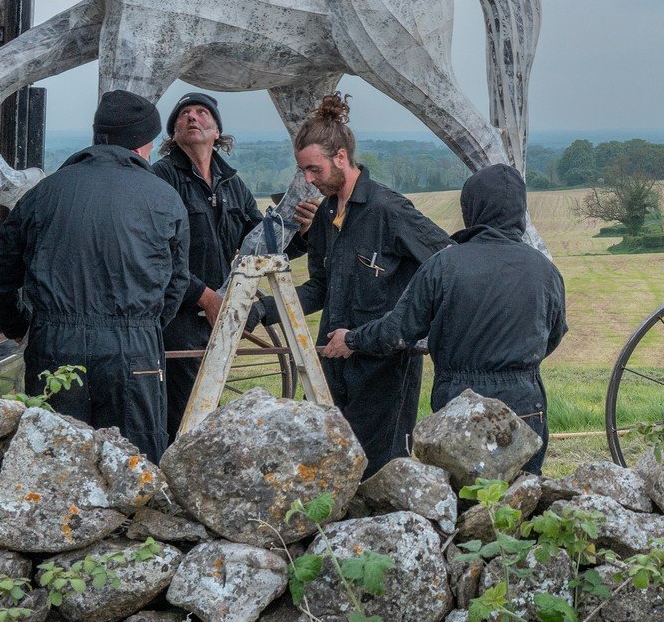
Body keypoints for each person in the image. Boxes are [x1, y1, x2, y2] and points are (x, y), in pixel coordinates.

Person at [0, 90, 190, 460]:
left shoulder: (44, 193)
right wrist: (145, 327)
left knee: (55, 463)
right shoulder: (164, 197)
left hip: (55, 345)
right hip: (134, 350)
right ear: (144, 143)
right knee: (134, 466)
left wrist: (21, 325)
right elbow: (175, 284)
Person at [320, 164, 568, 472]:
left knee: (463, 505)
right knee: (522, 502)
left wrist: (353, 338)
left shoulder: (444, 265)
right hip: (525, 402)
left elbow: (398, 331)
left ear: (471, 207)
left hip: (460, 401)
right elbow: (555, 332)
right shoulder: (544, 270)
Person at [286, 94, 452, 467]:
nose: (309, 181)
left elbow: (446, 263)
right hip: (332, 361)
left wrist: (412, 325)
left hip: (384, 367)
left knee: (379, 468)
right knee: (328, 464)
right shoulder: (327, 214)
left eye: (314, 169)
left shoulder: (389, 210)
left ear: (341, 157)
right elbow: (321, 287)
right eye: (304, 172)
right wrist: (266, 309)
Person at [150, 91, 266, 428]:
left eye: (202, 113)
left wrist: (301, 232)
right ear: (174, 135)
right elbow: (158, 254)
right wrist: (205, 296)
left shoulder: (232, 183)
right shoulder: (162, 179)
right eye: (183, 114)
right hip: (176, 314)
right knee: (183, 409)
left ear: (217, 132)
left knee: (209, 402)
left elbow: (257, 241)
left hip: (216, 311)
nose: (192, 118)